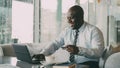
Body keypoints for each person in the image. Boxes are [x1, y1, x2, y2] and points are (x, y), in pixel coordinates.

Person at [33, 5, 104, 68]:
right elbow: (55, 44)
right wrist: (43, 53)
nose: (68, 21)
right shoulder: (67, 31)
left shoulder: (94, 31)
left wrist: (79, 50)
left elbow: (98, 52)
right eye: (68, 18)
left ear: (81, 17)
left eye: (72, 18)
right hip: (71, 64)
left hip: (89, 64)